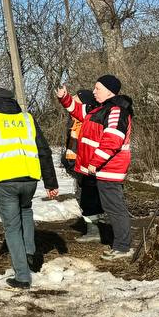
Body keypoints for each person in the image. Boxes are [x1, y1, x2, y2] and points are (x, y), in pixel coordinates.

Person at [0, 87, 60, 290]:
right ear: (12, 101)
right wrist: (51, 183)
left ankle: (22, 277)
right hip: (30, 178)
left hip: (5, 180)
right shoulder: (27, 118)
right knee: (26, 210)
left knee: (11, 227)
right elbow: (43, 150)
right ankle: (29, 251)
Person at [57, 75, 134, 261]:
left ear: (109, 91)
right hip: (101, 168)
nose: (93, 91)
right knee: (109, 205)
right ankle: (118, 243)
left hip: (110, 168)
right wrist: (64, 97)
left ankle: (123, 247)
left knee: (114, 207)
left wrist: (95, 162)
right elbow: (77, 111)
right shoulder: (97, 108)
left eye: (97, 88)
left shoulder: (116, 111)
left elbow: (112, 141)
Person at [63, 90, 104, 242]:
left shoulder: (87, 121)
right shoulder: (74, 121)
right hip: (79, 166)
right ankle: (95, 229)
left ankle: (96, 231)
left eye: (76, 100)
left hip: (88, 166)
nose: (72, 103)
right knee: (87, 198)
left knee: (91, 199)